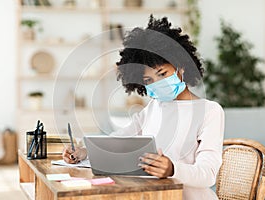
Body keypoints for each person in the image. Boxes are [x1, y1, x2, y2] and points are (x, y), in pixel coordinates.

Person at [63, 15, 224, 200]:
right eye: (148, 80)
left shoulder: (210, 111)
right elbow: (117, 142)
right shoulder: (154, 107)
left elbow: (208, 173)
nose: (158, 83)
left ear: (181, 68)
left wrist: (172, 169)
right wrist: (83, 152)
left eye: (162, 73)